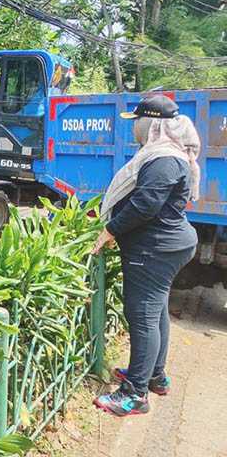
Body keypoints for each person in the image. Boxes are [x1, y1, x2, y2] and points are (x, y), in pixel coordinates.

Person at [92, 95, 200, 417]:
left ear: (152, 124)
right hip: (165, 244)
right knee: (155, 311)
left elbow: (145, 204)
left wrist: (109, 230)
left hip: (153, 248)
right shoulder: (170, 155)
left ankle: (135, 393)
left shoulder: (163, 159)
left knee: (141, 316)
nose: (134, 128)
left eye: (137, 121)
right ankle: (154, 375)